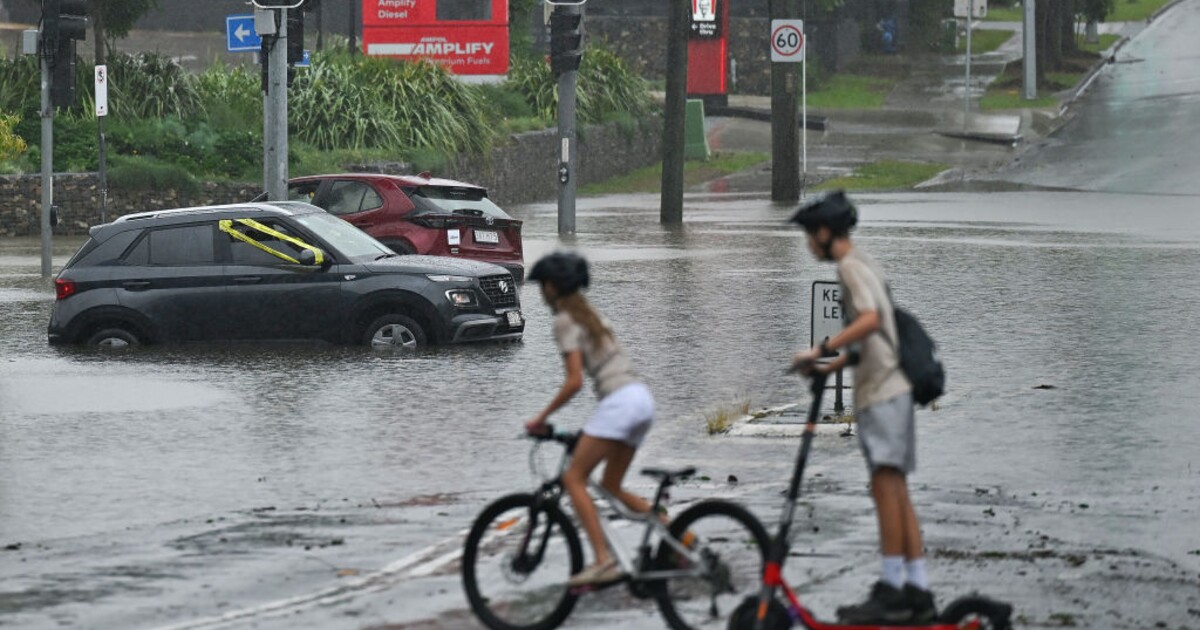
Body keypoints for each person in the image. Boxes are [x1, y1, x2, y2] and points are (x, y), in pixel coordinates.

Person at [788, 191, 936, 624]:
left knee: (885, 487)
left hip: (882, 393)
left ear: (824, 232)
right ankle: (917, 588)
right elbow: (875, 336)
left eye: (809, 236)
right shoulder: (865, 262)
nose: (808, 245)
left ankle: (891, 590)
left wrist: (819, 349)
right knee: (897, 488)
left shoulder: (850, 268)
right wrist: (830, 366)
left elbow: (869, 320)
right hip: (893, 387)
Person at [525, 251, 657, 587]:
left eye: (542, 286)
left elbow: (574, 382)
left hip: (620, 402)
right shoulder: (591, 314)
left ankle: (603, 560)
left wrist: (540, 418)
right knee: (611, 486)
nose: (541, 293)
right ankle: (682, 540)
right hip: (641, 399)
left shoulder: (565, 321)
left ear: (552, 287)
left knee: (573, 479)